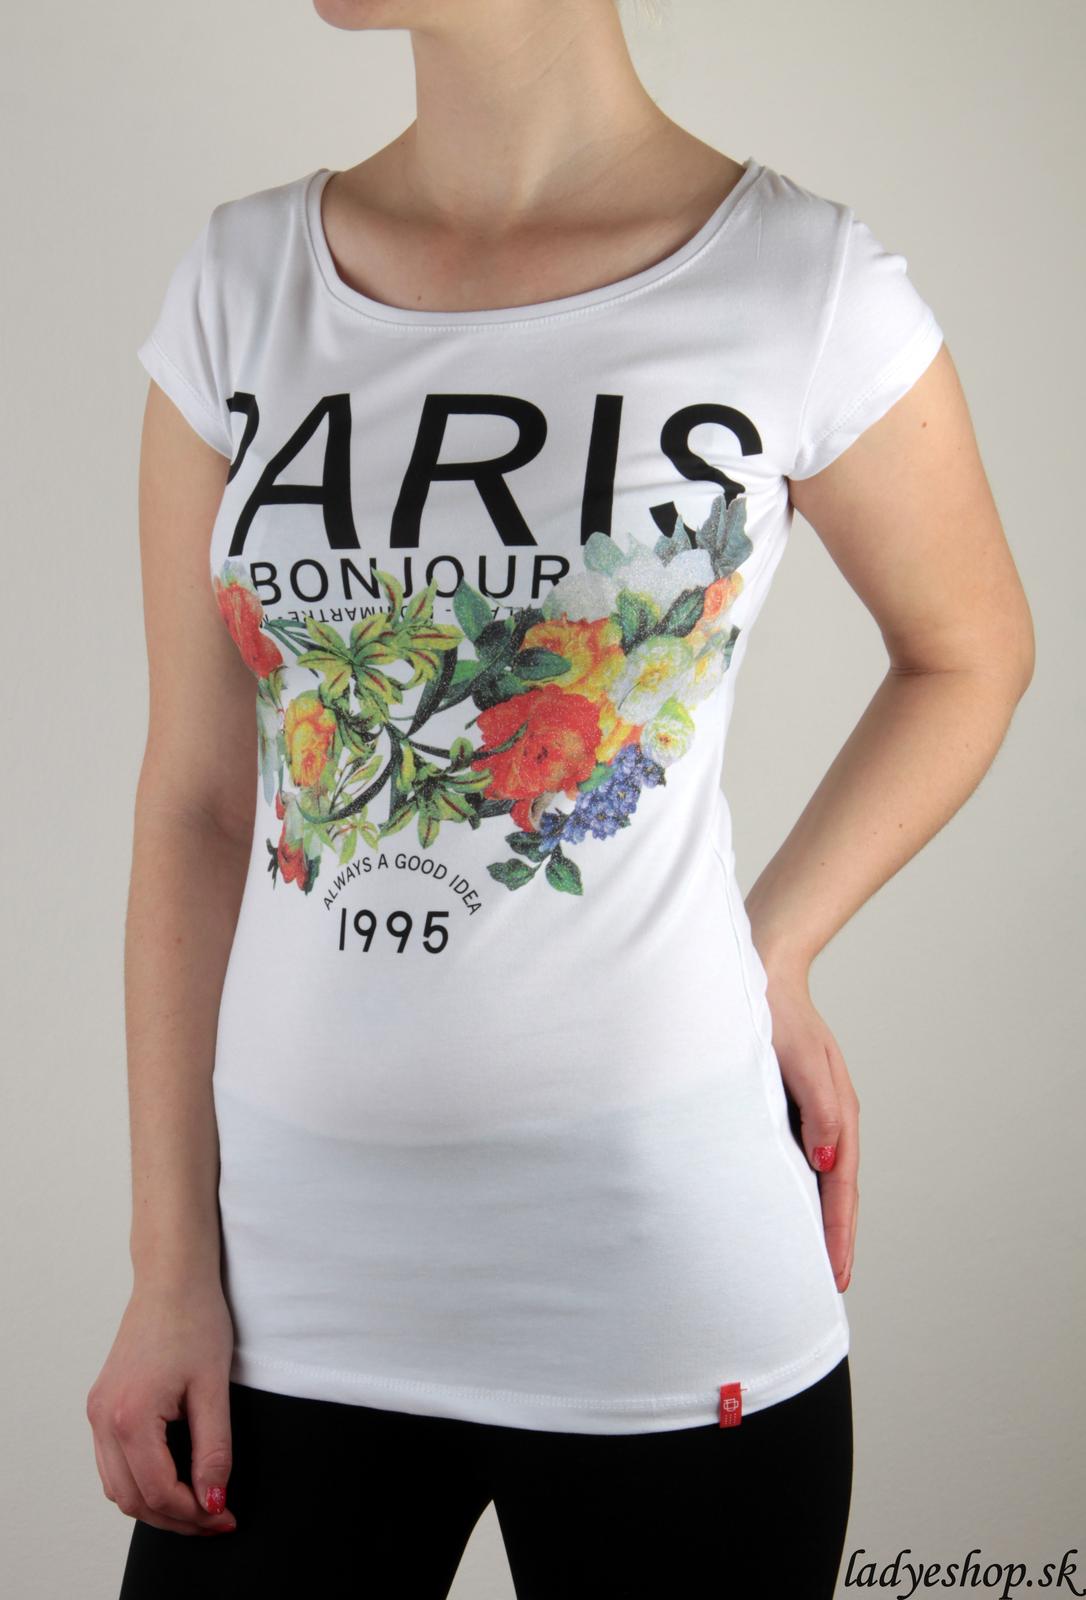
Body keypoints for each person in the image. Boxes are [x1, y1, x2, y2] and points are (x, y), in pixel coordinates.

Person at [87, 1, 1034, 1595]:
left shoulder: (795, 282)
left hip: (661, 1283)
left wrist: (772, 947)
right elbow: (196, 799)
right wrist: (168, 1266)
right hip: (283, 1297)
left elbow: (971, 652)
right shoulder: (242, 284)